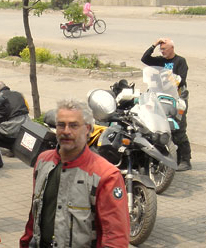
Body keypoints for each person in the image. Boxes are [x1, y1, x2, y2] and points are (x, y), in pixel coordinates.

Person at [20, 99, 129, 248]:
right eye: (61, 125)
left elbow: (115, 237)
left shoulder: (106, 175)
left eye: (73, 125)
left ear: (87, 129)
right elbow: (34, 215)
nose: (66, 131)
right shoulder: (43, 161)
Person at [141, 38, 192, 171]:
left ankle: (185, 160)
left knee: (178, 129)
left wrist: (168, 80)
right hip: (161, 98)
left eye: (164, 49)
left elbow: (181, 80)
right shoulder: (160, 60)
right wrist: (154, 44)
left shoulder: (180, 61)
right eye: (160, 49)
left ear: (171, 49)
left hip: (177, 98)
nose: (161, 51)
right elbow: (145, 58)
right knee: (159, 125)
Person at [0, 81, 29, 150]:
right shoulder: (19, 94)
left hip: (10, 130)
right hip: (25, 127)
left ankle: (8, 148)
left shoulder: (0, 98)